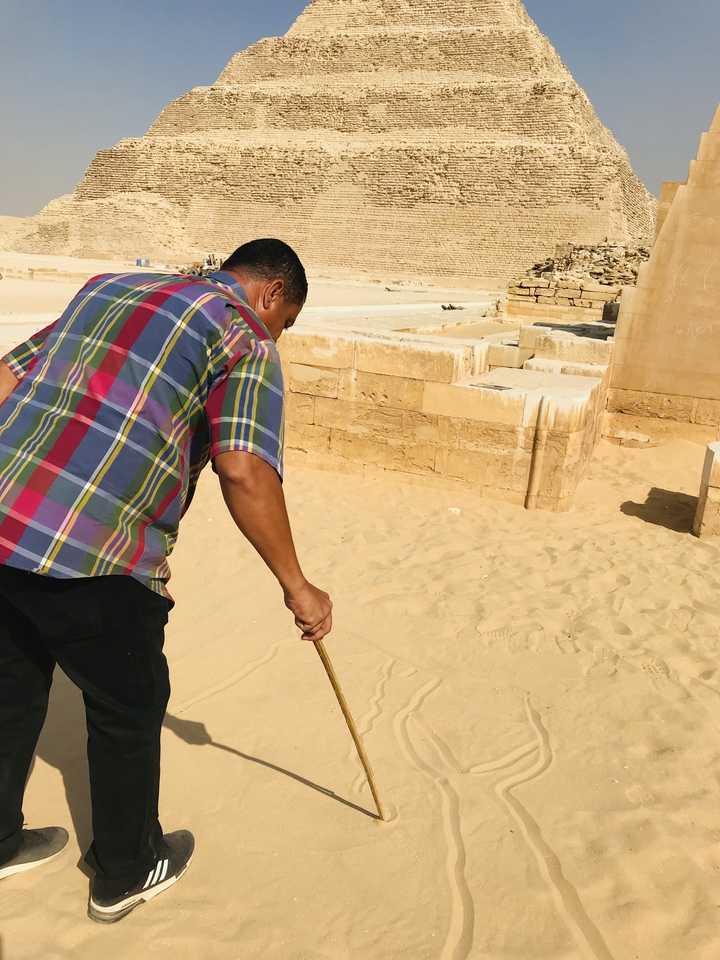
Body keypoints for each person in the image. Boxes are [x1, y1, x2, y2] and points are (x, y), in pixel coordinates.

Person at [0, 238, 332, 923]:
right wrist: (298, 586)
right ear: (272, 294)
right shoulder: (243, 337)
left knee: (12, 687)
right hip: (95, 552)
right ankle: (126, 870)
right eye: (287, 322)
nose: (281, 336)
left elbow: (7, 379)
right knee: (129, 704)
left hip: (4, 520)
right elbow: (244, 470)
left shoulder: (110, 288)